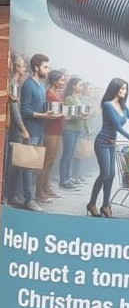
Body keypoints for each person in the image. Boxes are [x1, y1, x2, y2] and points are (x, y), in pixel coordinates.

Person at [86, 78, 129, 218]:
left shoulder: (123, 106)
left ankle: (105, 206)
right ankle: (92, 204)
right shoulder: (107, 105)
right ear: (114, 89)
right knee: (104, 174)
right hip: (102, 142)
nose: (124, 91)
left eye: (126, 89)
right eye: (122, 88)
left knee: (111, 175)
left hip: (112, 143)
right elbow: (118, 126)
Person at [20, 54, 61, 208]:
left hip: (40, 130)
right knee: (28, 167)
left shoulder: (41, 85)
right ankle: (29, 200)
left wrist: (53, 113)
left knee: (35, 166)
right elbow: (25, 110)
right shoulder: (28, 84)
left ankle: (31, 197)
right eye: (45, 67)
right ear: (36, 67)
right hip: (30, 130)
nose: (48, 70)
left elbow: (41, 107)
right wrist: (45, 115)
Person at [3, 53, 39, 211]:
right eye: (22, 65)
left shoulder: (17, 82)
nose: (25, 68)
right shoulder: (13, 83)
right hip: (15, 129)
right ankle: (7, 196)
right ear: (15, 67)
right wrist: (23, 129)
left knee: (16, 164)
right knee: (12, 165)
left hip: (16, 127)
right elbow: (15, 110)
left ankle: (12, 196)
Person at [40, 68, 67, 200]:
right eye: (61, 80)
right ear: (54, 81)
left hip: (58, 130)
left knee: (51, 161)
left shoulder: (56, 93)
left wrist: (63, 115)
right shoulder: (49, 94)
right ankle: (39, 191)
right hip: (50, 130)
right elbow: (49, 113)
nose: (63, 82)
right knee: (46, 161)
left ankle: (47, 187)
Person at [59, 76, 89, 188]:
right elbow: (70, 114)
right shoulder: (69, 98)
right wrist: (82, 116)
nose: (81, 87)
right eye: (80, 85)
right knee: (66, 155)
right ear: (73, 86)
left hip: (77, 129)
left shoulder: (78, 98)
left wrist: (86, 126)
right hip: (69, 129)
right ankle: (63, 180)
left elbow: (80, 114)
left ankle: (68, 178)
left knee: (71, 155)